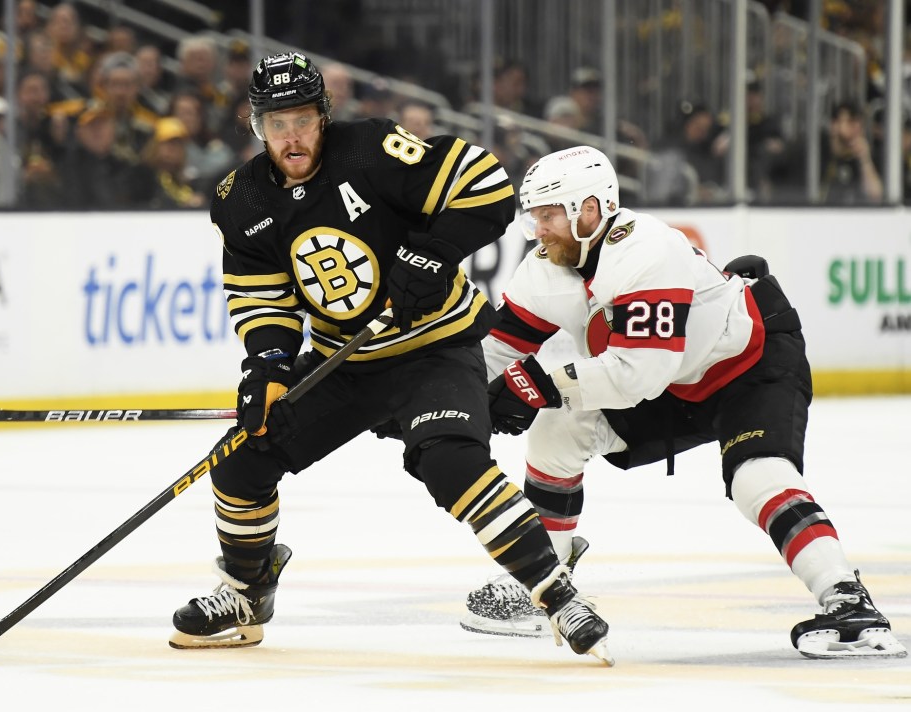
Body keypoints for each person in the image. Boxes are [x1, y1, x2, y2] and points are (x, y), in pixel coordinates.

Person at [168, 52, 613, 665]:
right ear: (256, 126)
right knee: (240, 462)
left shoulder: (371, 151)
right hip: (343, 362)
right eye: (276, 123)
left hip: (436, 347)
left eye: (301, 119)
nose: (290, 136)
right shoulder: (241, 199)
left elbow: (486, 186)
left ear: (323, 117)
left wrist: (432, 253)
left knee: (452, 464)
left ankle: (556, 594)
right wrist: (266, 367)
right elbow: (261, 297)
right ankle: (247, 593)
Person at [459, 144, 907, 660]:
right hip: (674, 382)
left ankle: (848, 601)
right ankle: (545, 576)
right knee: (558, 427)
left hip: (749, 364)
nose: (538, 229)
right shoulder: (544, 270)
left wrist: (536, 382)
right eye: (533, 215)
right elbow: (494, 354)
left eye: (550, 214)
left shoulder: (647, 249)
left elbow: (636, 375)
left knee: (757, 477)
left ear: (591, 208)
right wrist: (437, 398)